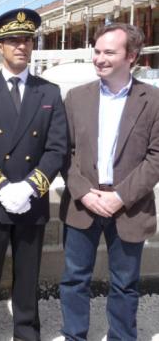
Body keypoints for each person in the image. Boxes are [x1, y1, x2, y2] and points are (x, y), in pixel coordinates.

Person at [0, 8, 68, 341]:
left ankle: (26, 331)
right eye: (12, 41)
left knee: (28, 273)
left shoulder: (49, 92)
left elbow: (56, 148)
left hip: (31, 200)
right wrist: (2, 187)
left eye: (26, 40)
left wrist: (30, 188)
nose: (20, 46)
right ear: (0, 46)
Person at [59, 23, 159, 341]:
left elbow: (156, 157)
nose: (99, 58)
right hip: (82, 204)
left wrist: (120, 197)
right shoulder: (76, 98)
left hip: (129, 207)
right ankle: (74, 335)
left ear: (131, 56)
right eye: (97, 51)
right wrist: (83, 192)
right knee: (75, 279)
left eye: (109, 52)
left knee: (125, 283)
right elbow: (64, 152)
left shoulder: (153, 100)